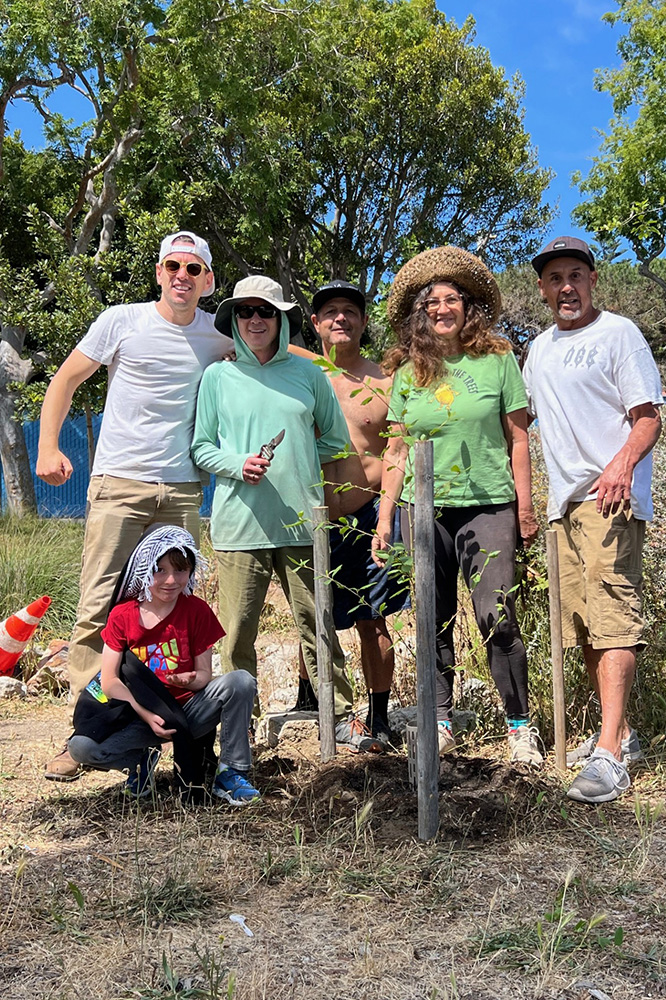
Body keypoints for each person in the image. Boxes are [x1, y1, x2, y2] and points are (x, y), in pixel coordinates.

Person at [37, 231, 231, 781]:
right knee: (99, 607)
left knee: (175, 610)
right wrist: (48, 446)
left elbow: (276, 346)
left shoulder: (216, 331)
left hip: (183, 490)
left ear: (207, 280)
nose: (182, 276)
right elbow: (65, 380)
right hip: (120, 483)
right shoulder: (120, 320)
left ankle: (161, 735)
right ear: (158, 271)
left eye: (194, 269)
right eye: (173, 265)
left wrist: (341, 370)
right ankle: (86, 735)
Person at [190, 275, 382, 753]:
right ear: (234, 320)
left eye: (266, 312)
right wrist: (239, 464)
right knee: (236, 637)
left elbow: (335, 442)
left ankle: (336, 717)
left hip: (303, 523)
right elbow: (201, 448)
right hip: (238, 526)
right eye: (246, 312)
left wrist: (295, 456)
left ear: (282, 320)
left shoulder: (309, 376)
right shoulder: (218, 376)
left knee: (318, 625)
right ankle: (240, 727)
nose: (256, 320)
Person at [372, 246, 543, 764]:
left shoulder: (496, 361)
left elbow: (517, 439)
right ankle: (439, 720)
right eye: (432, 303)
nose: (442, 309)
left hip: (488, 504)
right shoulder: (407, 372)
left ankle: (519, 725)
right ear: (420, 314)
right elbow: (396, 450)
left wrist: (526, 508)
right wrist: (383, 519)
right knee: (433, 616)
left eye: (452, 300)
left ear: (469, 308)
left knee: (497, 614)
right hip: (423, 510)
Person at [525, 235, 663, 804]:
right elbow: (521, 420)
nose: (566, 287)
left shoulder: (619, 334)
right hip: (563, 506)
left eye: (575, 275)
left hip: (609, 500)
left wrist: (619, 467)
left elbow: (647, 417)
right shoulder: (538, 350)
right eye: (555, 278)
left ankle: (607, 755)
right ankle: (623, 736)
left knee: (613, 620)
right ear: (541, 288)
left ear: (593, 280)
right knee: (581, 626)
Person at [288, 281, 409, 745]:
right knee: (310, 611)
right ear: (315, 324)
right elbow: (244, 337)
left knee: (371, 618)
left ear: (362, 322)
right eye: (330, 312)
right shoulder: (298, 372)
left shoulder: (385, 382)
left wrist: (385, 519)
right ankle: (309, 699)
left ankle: (378, 716)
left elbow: (397, 451)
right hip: (312, 515)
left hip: (368, 512)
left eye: (350, 312)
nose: (340, 318)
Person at [68, 526, 260, 805]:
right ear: (144, 570)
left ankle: (231, 772)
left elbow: (204, 675)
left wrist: (189, 681)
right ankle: (140, 762)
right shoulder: (123, 615)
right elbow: (109, 682)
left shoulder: (196, 610)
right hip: (138, 715)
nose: (171, 580)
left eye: (180, 571)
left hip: (186, 714)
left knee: (241, 681)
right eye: (160, 570)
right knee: (81, 748)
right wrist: (145, 713)